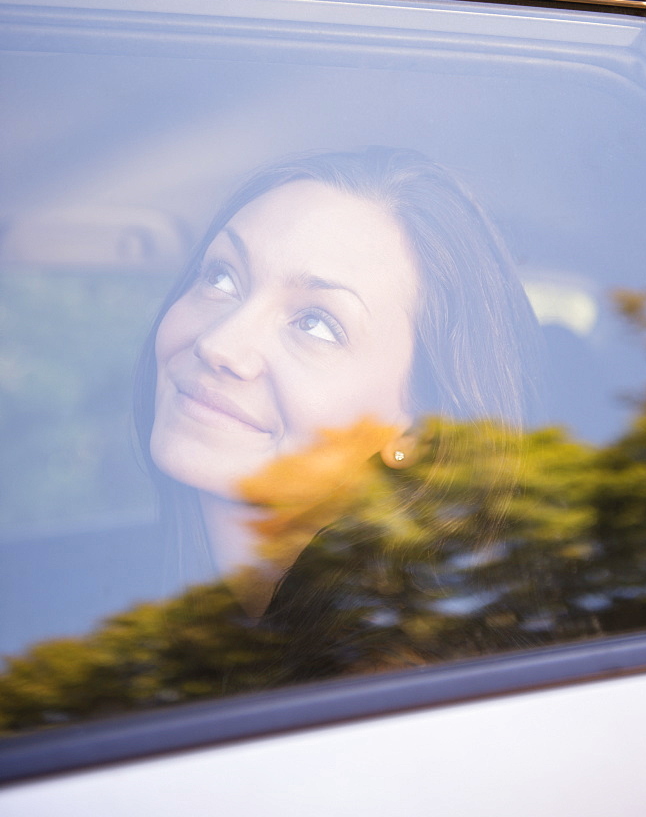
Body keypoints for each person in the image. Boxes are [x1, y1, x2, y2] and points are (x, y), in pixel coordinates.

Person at [134, 147, 538, 674]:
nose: (219, 344)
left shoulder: (390, 684)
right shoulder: (185, 620)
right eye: (221, 277)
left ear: (420, 431)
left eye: (317, 324)